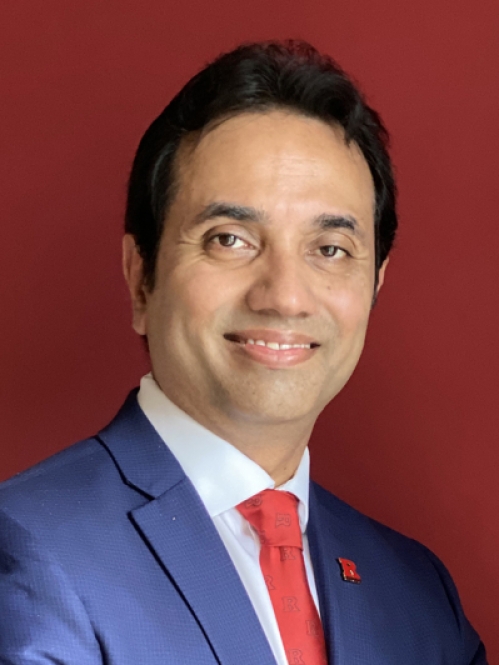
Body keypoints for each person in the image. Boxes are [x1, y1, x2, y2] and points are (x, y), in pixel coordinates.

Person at [0, 40, 486, 665]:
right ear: (140, 277)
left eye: (330, 249)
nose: (284, 297)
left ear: (374, 287)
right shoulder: (28, 552)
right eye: (230, 239)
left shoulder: (419, 597)